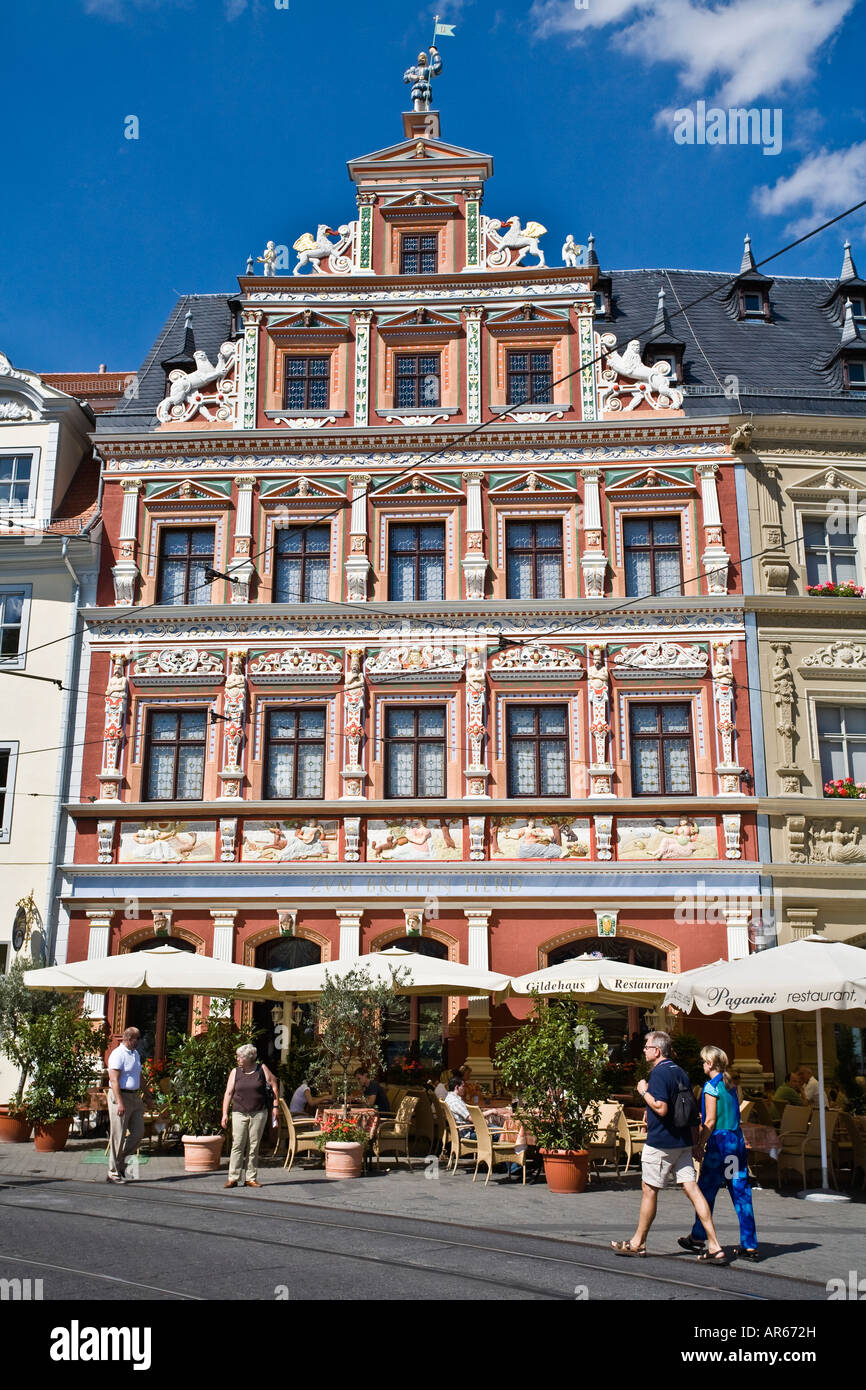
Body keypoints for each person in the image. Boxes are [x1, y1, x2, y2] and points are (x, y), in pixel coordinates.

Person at [611, 1031, 729, 1264]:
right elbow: (691, 1111)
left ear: (656, 1050)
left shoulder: (658, 1074)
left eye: (646, 1046)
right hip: (683, 1142)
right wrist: (696, 1143)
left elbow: (662, 1108)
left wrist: (644, 1092)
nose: (643, 1050)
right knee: (693, 1189)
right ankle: (715, 1245)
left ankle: (638, 1243)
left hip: (662, 1142)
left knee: (649, 1189)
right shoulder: (680, 1072)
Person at [678, 1047, 759, 1261]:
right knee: (740, 1190)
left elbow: (710, 1121)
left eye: (704, 1061)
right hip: (736, 1141)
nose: (702, 1064)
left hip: (720, 1144)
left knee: (706, 1190)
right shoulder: (730, 1084)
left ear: (711, 1063)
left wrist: (699, 1144)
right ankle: (749, 1244)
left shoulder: (710, 1087)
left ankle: (698, 1236)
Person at [221, 1044, 279, 1190]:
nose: (238, 1059)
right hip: (239, 1111)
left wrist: (276, 1107)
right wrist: (224, 1114)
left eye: (240, 1056)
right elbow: (228, 1093)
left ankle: (250, 1178)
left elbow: (274, 1084)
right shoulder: (235, 1072)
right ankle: (233, 1177)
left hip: (259, 1112)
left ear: (248, 1058)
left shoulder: (262, 1069)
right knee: (238, 1144)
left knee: (254, 1146)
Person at [107, 1026, 146, 1184]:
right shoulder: (117, 1054)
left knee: (138, 1133)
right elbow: (114, 1080)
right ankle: (113, 1172)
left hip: (134, 1097)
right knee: (118, 1135)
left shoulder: (135, 1054)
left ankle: (120, 1162)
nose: (139, 1041)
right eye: (137, 1039)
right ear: (129, 1039)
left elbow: (139, 1076)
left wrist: (148, 1095)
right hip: (120, 1095)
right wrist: (120, 1102)